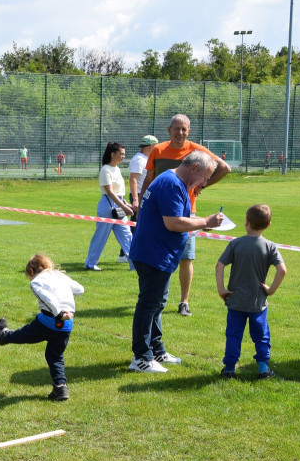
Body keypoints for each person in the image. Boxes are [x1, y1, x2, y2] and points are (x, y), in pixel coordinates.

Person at [128, 150, 224, 373]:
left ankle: (156, 350)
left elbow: (178, 216)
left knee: (157, 303)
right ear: (194, 168)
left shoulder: (172, 180)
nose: (204, 183)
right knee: (149, 304)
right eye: (204, 177)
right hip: (154, 253)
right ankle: (141, 357)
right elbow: (173, 222)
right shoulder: (172, 184)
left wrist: (202, 222)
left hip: (158, 252)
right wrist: (205, 222)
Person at [141, 114, 230, 317]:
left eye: (184, 129)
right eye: (177, 128)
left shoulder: (196, 150)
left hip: (186, 211)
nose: (180, 133)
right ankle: (153, 298)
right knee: (158, 256)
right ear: (169, 130)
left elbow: (224, 168)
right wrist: (141, 203)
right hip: (158, 212)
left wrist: (202, 185)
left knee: (186, 258)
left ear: (189, 131)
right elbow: (149, 179)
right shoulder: (158, 150)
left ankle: (184, 301)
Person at [0, 254, 84, 401]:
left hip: (50, 321)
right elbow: (80, 289)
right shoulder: (59, 276)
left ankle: (4, 336)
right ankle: (60, 388)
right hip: (67, 325)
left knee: (23, 334)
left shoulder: (36, 282)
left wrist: (59, 313)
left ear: (31, 271)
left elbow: (48, 298)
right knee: (54, 355)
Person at [215, 204, 287, 379]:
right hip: (258, 302)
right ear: (268, 225)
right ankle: (263, 368)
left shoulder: (236, 243)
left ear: (246, 222)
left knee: (233, 335)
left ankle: (229, 369)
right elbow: (282, 270)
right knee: (261, 336)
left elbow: (220, 265)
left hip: (236, 300)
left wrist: (221, 289)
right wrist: (270, 290)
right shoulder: (270, 246)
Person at [85, 142, 134, 272]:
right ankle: (91, 263)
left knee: (127, 235)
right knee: (101, 236)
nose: (123, 156)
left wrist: (126, 204)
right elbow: (110, 192)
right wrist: (124, 207)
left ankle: (134, 264)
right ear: (113, 154)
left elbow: (119, 192)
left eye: (124, 154)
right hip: (108, 205)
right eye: (121, 154)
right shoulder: (105, 170)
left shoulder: (117, 169)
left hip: (119, 205)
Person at [128, 135, 158, 216]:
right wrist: (136, 200)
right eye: (156, 146)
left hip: (145, 194)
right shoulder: (139, 160)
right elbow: (133, 179)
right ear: (151, 146)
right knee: (138, 219)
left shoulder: (145, 158)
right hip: (139, 194)